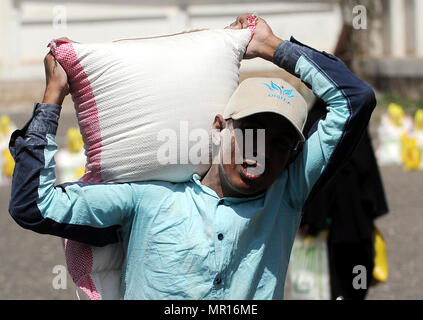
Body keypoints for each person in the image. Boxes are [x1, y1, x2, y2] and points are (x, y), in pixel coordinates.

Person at [8, 14, 376, 299]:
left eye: (280, 144)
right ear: (221, 126)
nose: (263, 150)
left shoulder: (287, 195)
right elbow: (34, 206)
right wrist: (52, 98)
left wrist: (270, 46)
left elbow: (355, 99)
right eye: (253, 132)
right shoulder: (148, 199)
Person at [299, 24, 389, 300]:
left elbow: (310, 173)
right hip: (354, 221)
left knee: (332, 287)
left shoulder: (314, 120)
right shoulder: (354, 118)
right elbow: (367, 169)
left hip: (330, 224)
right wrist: (373, 208)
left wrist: (308, 219)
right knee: (353, 286)